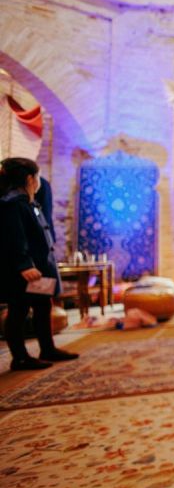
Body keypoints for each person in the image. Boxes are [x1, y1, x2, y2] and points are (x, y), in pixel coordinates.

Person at [1, 157, 78, 370]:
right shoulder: (12, 204)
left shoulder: (28, 202)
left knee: (43, 305)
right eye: (37, 177)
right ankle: (20, 357)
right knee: (19, 309)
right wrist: (24, 265)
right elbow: (14, 237)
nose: (39, 181)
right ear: (29, 178)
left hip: (39, 267)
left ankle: (48, 348)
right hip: (25, 270)